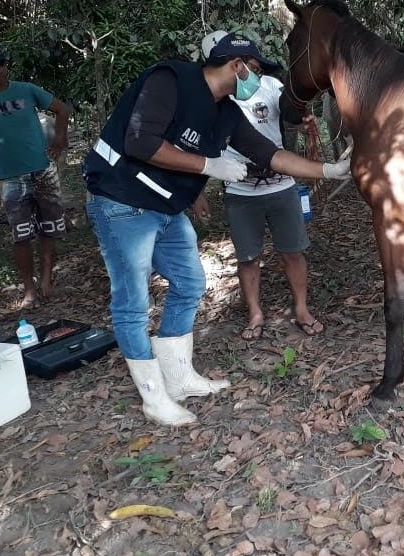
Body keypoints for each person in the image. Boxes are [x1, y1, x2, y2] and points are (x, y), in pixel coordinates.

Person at [82, 34, 350, 426]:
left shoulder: (225, 111)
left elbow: (268, 153)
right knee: (133, 302)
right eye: (255, 70)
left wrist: (328, 169)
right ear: (236, 64)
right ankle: (153, 398)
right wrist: (209, 166)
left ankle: (179, 377)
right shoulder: (170, 80)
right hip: (122, 200)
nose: (256, 81)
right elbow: (140, 141)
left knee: (190, 284)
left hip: (167, 206)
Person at [202, 31, 321, 341]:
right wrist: (199, 191)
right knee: (248, 257)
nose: (252, 74)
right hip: (241, 191)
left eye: (255, 68)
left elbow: (293, 112)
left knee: (293, 251)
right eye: (247, 67)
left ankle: (302, 309)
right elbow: (201, 145)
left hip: (280, 185)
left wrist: (307, 125)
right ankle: (255, 312)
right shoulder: (215, 96)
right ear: (232, 64)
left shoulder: (270, 86)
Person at [0, 43, 72, 310]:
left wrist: (59, 139)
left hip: (43, 168)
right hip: (9, 177)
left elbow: (62, 109)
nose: (1, 70)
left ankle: (47, 275)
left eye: (3, 63)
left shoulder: (26, 89)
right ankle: (29, 287)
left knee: (49, 227)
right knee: (21, 235)